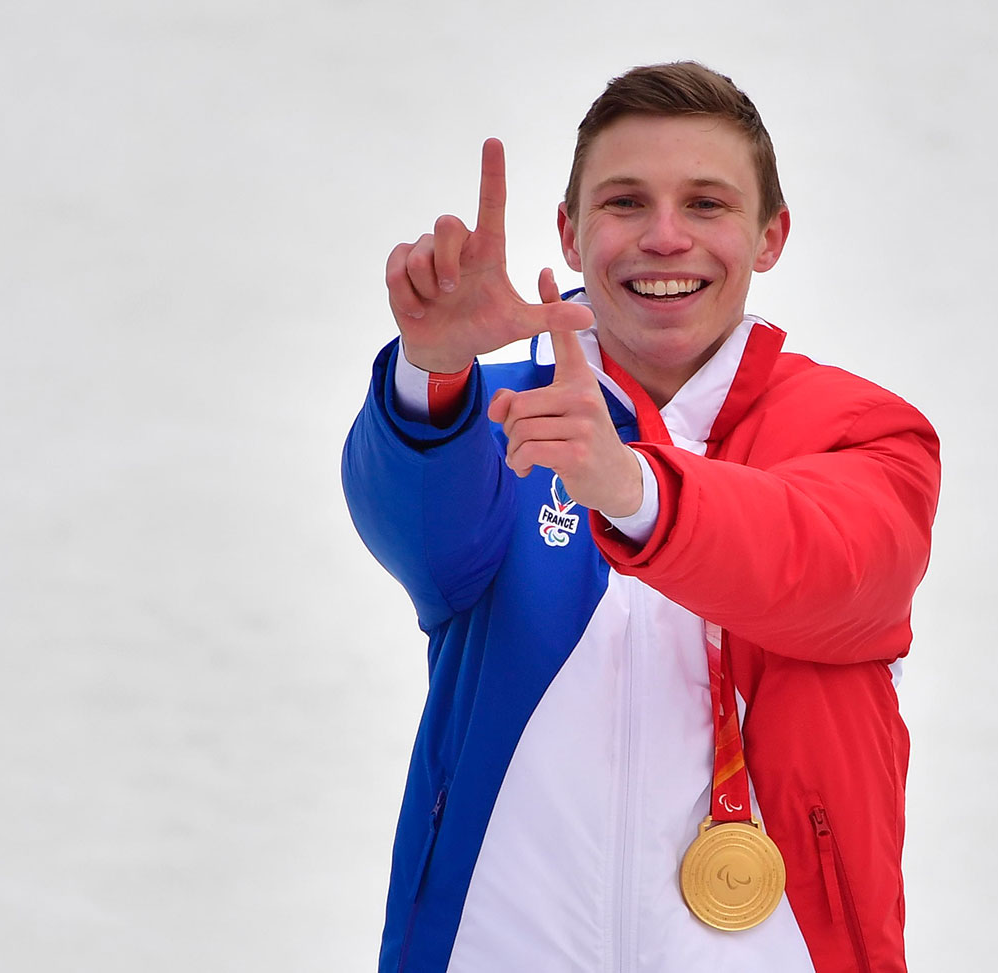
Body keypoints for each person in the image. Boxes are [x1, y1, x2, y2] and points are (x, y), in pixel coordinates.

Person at [342, 61, 940, 973]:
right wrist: (430, 373)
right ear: (570, 234)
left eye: (707, 204)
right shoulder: (496, 416)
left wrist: (632, 489)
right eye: (624, 202)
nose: (666, 238)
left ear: (769, 236)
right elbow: (423, 535)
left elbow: (840, 571)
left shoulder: (861, 431)